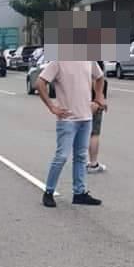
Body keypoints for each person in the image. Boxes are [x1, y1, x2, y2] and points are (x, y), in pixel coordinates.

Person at [37, 61, 106, 208]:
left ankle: (79, 193)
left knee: (81, 156)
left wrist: (99, 96)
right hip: (67, 119)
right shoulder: (58, 62)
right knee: (61, 156)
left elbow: (100, 77)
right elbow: (40, 83)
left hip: (86, 117)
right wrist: (52, 107)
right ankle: (48, 192)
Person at [87, 60, 108, 173]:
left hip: (82, 100)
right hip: (93, 102)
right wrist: (99, 98)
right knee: (94, 133)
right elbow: (96, 79)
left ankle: (83, 162)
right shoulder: (94, 60)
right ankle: (93, 163)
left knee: (83, 133)